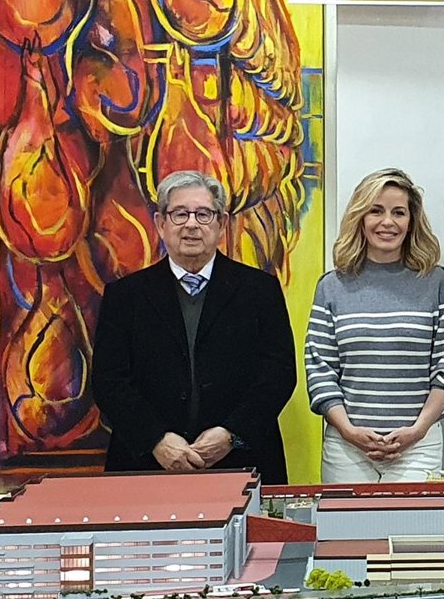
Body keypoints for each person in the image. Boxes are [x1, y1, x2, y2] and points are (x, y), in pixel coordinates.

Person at [91, 170, 296, 482]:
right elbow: (109, 381)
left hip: (243, 461)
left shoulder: (260, 290)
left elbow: (279, 374)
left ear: (221, 224)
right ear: (161, 223)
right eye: (180, 214)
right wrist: (156, 440)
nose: (191, 224)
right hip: (147, 465)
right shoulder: (125, 296)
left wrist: (231, 434)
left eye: (203, 214)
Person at [305, 168, 444, 483]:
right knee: (348, 520)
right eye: (376, 211)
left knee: (412, 519)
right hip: (346, 448)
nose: (387, 222)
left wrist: (417, 430)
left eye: (398, 212)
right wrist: (349, 431)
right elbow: (320, 370)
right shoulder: (331, 286)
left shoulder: (437, 283)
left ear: (412, 221)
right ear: (360, 217)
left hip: (418, 445)